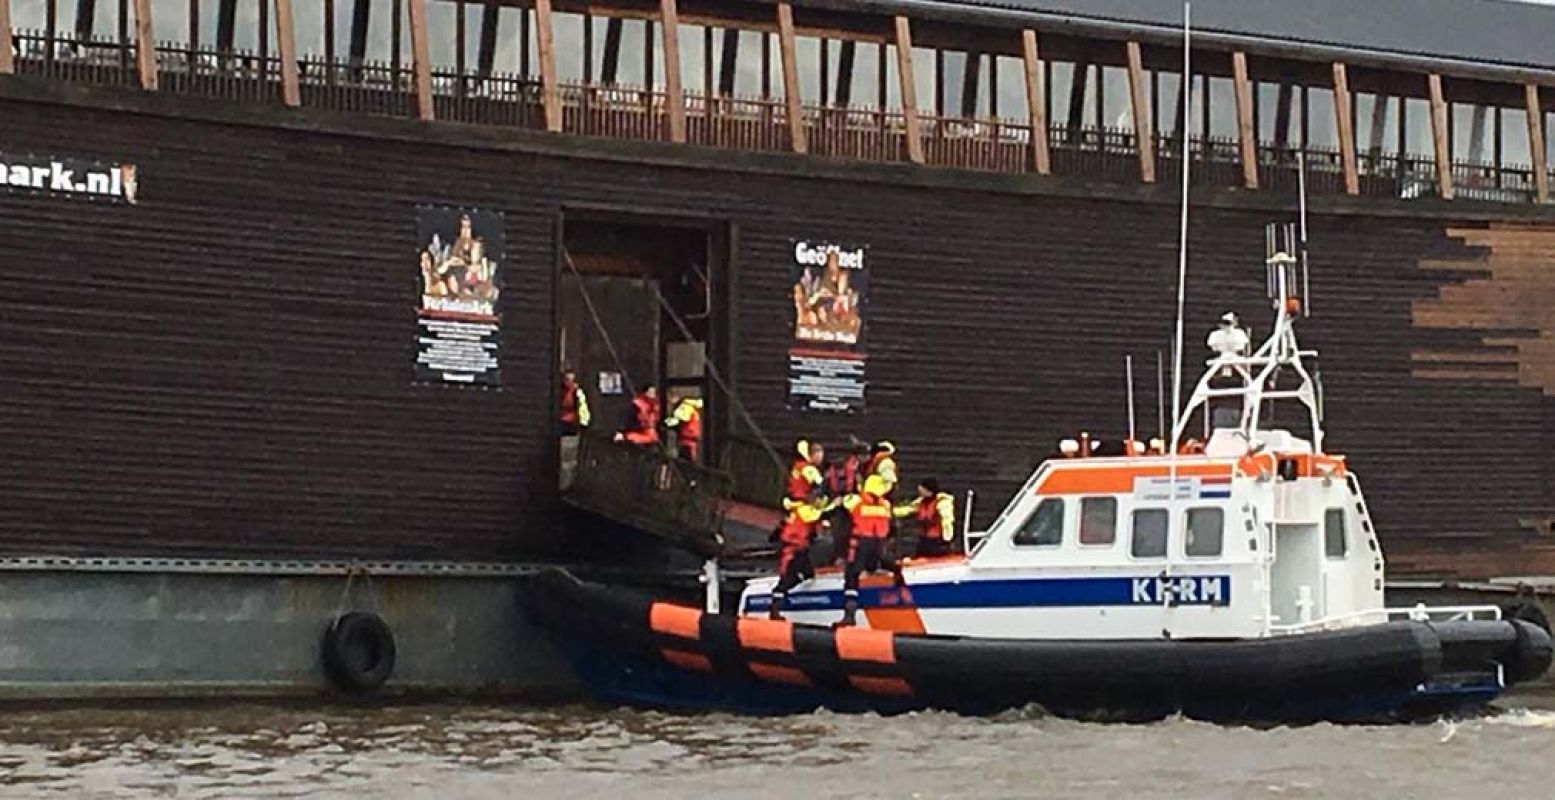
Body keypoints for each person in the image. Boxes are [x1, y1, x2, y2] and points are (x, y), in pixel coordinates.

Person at [771, 441, 829, 620]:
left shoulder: (797, 469)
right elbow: (823, 486)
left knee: (806, 573)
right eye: (818, 453)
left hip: (798, 539)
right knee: (788, 574)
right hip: (796, 543)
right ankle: (776, 607)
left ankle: (792, 596)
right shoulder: (808, 470)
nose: (821, 457)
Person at [839, 474, 902, 627]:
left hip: (860, 542)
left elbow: (843, 506)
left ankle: (849, 615)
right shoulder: (885, 505)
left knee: (852, 575)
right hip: (879, 543)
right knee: (877, 563)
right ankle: (897, 571)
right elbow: (892, 525)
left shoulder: (856, 501)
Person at [823, 437, 868, 564]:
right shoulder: (847, 469)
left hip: (850, 505)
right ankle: (842, 557)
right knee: (840, 533)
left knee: (850, 533)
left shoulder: (856, 468)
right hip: (841, 505)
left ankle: (848, 557)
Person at [895, 478, 957, 558]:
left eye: (922, 490)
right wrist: (891, 512)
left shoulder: (942, 503)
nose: (920, 492)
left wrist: (947, 538)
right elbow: (909, 509)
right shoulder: (921, 502)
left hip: (937, 540)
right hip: (923, 538)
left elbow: (947, 520)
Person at [665, 396, 703, 461]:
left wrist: (666, 422)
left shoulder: (685, 406)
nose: (670, 402)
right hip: (688, 437)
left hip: (687, 437)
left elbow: (681, 418)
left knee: (687, 458)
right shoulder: (689, 406)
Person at [559, 368, 591, 434]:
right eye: (566, 379)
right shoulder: (560, 390)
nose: (567, 382)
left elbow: (582, 406)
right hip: (561, 421)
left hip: (572, 423)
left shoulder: (577, 391)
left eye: (570, 380)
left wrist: (583, 422)